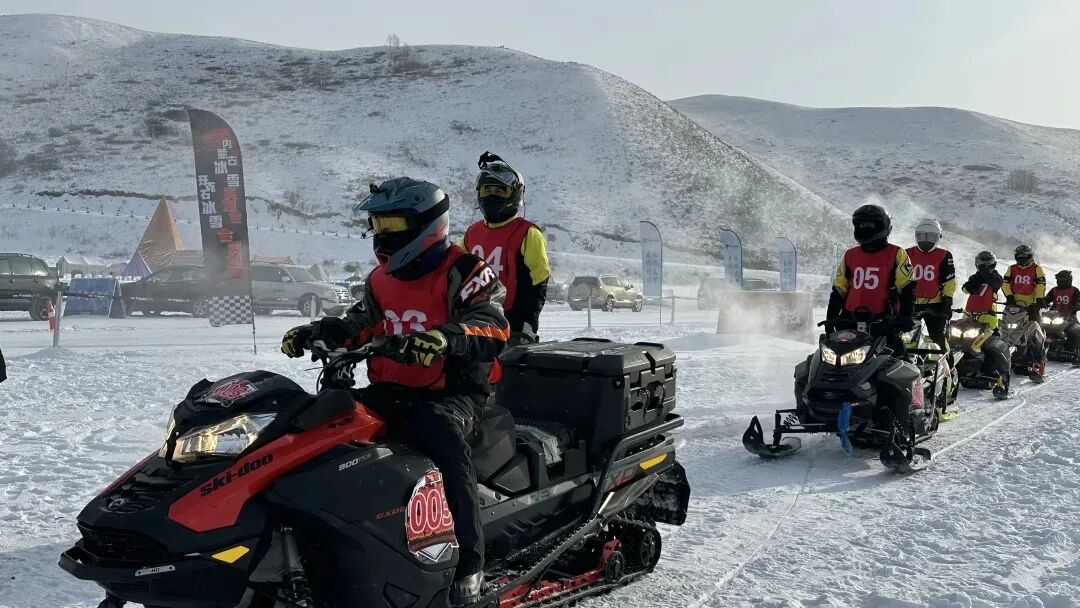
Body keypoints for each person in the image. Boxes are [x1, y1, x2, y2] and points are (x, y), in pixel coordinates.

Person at [281, 177, 509, 606]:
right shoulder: (380, 279)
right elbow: (359, 323)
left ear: (427, 225)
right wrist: (318, 332)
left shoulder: (465, 271)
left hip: (454, 392)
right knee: (325, 424)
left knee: (442, 438)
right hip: (392, 388)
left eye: (393, 224)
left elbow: (493, 325)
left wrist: (445, 338)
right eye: (378, 224)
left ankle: (469, 565)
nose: (383, 235)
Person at [464, 152, 550, 344]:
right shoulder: (471, 233)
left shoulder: (528, 233)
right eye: (487, 190)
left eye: (500, 191)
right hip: (472, 321)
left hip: (511, 324)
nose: (492, 195)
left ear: (515, 195)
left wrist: (527, 323)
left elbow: (539, 283)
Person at [826, 204, 916, 354]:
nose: (865, 228)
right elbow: (839, 289)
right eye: (861, 225)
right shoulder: (850, 255)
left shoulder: (896, 253)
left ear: (884, 226)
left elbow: (907, 287)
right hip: (849, 320)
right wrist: (831, 317)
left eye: (870, 225)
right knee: (833, 356)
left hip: (883, 322)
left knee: (898, 356)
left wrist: (905, 317)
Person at [961, 251, 1011, 398]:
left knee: (991, 346)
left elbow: (995, 284)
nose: (983, 267)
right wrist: (974, 281)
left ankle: (1001, 377)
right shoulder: (975, 277)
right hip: (969, 316)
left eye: (985, 264)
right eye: (981, 264)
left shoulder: (996, 277)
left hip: (987, 318)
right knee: (960, 343)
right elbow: (965, 289)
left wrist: (984, 273)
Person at [905, 218, 955, 351]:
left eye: (931, 237)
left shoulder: (944, 255)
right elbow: (899, 278)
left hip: (935, 304)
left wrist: (947, 300)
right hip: (911, 303)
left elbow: (949, 280)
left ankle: (947, 361)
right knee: (906, 338)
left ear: (938, 237)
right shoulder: (906, 253)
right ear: (916, 236)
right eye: (922, 236)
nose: (926, 240)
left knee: (938, 337)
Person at [1002, 244, 1047, 376]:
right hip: (1013, 306)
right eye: (1019, 256)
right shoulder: (1011, 268)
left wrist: (1038, 299)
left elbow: (1040, 284)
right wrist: (1009, 296)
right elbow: (1005, 283)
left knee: (1035, 331)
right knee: (1007, 330)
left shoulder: (1036, 268)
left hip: (1031, 306)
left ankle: (1039, 362)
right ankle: (1006, 356)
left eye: (1024, 256)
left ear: (1029, 256)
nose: (1021, 259)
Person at [1045, 269, 1080, 366]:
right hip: (1053, 315)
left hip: (1070, 315)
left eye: (1062, 279)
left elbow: (1078, 300)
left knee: (1075, 330)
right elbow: (1047, 299)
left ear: (1068, 280)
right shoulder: (1054, 290)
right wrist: (1042, 302)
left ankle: (1075, 351)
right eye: (1059, 279)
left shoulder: (1074, 290)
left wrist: (1077, 305)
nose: (1060, 281)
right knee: (1040, 325)